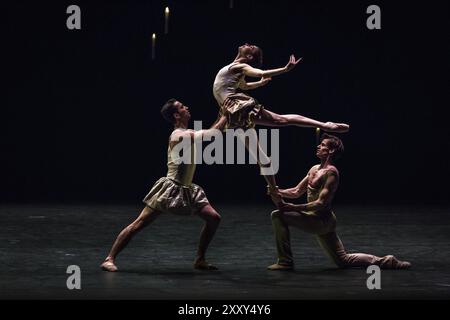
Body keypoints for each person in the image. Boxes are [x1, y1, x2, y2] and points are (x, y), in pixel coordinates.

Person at [100, 99, 228, 272]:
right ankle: (109, 259)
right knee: (139, 224)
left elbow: (211, 131)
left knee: (214, 218)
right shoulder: (178, 135)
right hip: (171, 189)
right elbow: (211, 134)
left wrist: (223, 114)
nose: (187, 107)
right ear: (176, 115)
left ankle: (200, 259)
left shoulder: (188, 131)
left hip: (188, 188)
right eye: (183, 107)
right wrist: (226, 115)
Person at [212, 43, 350, 200]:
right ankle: (274, 191)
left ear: (249, 56)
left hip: (237, 108)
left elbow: (259, 72)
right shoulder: (235, 68)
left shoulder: (241, 66)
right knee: (262, 155)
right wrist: (260, 84)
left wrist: (284, 69)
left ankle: (325, 125)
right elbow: (243, 85)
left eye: (250, 46)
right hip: (232, 112)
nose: (247, 44)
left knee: (280, 120)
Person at [267, 133, 411, 270]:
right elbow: (297, 191)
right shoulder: (314, 169)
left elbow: (320, 203)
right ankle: (387, 261)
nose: (318, 146)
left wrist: (293, 208)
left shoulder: (332, 173)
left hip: (322, 220)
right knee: (343, 260)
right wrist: (277, 191)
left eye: (322, 145)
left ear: (331, 150)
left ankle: (285, 262)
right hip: (314, 218)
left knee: (278, 215)